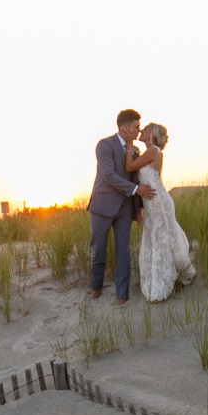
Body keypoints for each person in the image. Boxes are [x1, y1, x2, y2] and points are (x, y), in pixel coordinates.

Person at [87, 110, 158, 305]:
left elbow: (137, 177)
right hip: (102, 206)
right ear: (124, 127)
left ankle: (122, 295)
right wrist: (136, 190)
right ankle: (96, 287)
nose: (138, 131)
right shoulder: (104, 145)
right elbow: (108, 176)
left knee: (123, 251)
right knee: (98, 248)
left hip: (125, 208)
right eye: (136, 127)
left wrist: (138, 209)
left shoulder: (134, 150)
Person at [125, 122, 197, 302]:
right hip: (152, 201)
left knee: (159, 238)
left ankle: (163, 283)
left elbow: (129, 167)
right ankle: (176, 273)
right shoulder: (151, 152)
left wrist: (128, 146)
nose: (142, 130)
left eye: (146, 128)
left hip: (158, 201)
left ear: (153, 135)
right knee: (157, 236)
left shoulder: (153, 151)